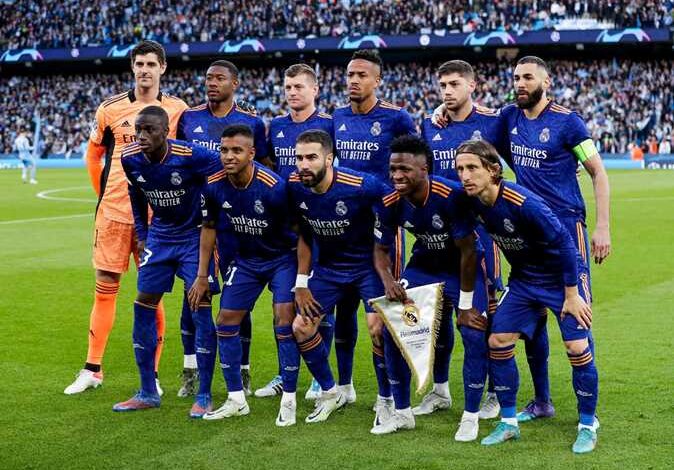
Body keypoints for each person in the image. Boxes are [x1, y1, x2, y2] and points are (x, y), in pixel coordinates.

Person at [455, 139, 599, 454]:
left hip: (562, 277)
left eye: (472, 168)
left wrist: (572, 294)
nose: (464, 175)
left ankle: (588, 425)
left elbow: (566, 244)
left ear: (493, 170)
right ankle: (508, 423)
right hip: (524, 280)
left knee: (577, 346)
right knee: (498, 341)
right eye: (460, 169)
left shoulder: (524, 203)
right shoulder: (471, 201)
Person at [64, 40, 188, 396]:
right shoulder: (110, 109)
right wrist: (103, 196)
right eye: (139, 64)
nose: (144, 70)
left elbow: (187, 154)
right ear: (132, 67)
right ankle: (92, 369)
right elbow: (93, 156)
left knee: (152, 293)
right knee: (105, 288)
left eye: (151, 64)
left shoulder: (178, 110)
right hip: (115, 214)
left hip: (157, 219)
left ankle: (153, 376)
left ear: (163, 68)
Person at [499, 56, 610, 422]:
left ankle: (588, 414)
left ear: (546, 83)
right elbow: (479, 124)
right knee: (531, 321)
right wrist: (441, 109)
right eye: (516, 77)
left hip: (566, 228)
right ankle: (542, 401)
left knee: (576, 318)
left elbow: (597, 172)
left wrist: (602, 227)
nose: (520, 83)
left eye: (528, 77)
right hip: (527, 232)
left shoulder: (568, 122)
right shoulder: (509, 118)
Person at [372, 135, 489, 440]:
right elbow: (380, 250)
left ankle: (471, 416)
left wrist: (465, 305)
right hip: (424, 265)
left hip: (462, 267)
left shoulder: (450, 196)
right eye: (393, 169)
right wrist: (388, 280)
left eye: (405, 169)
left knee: (472, 331)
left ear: (424, 170)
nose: (397, 175)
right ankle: (402, 413)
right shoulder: (390, 202)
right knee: (392, 327)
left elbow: (468, 252)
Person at [112, 106, 222, 416]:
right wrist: (142, 233)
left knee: (200, 305)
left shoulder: (191, 155)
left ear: (165, 132)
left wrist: (213, 218)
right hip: (160, 237)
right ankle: (148, 391)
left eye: (149, 130)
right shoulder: (130, 158)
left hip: (193, 237)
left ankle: (204, 394)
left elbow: (221, 171)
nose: (142, 135)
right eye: (138, 129)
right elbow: (136, 194)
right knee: (143, 303)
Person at [188, 125, 300, 425]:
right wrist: (202, 274)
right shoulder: (213, 185)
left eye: (236, 150)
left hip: (282, 259)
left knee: (283, 317)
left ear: (252, 153)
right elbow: (208, 228)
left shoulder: (274, 187)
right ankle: (236, 399)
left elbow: (301, 233)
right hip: (247, 260)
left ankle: (289, 399)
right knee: (225, 320)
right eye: (224, 150)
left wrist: (303, 278)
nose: (229, 156)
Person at [332, 49, 417, 421]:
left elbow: (418, 159)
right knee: (343, 310)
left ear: (377, 80)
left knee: (382, 318)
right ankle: (343, 386)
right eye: (350, 74)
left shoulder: (397, 118)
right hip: (344, 229)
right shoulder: (337, 117)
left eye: (362, 75)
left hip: (384, 229)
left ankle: (391, 396)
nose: (354, 80)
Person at [176, 59, 267, 397]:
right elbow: (179, 162)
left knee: (237, 299)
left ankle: (242, 370)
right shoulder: (189, 118)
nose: (212, 83)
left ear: (235, 83)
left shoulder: (251, 122)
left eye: (219, 78)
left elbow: (263, 167)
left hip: (235, 224)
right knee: (192, 294)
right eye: (208, 78)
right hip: (195, 221)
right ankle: (190, 369)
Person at [421, 59, 505, 419]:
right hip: (440, 236)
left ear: (472, 85)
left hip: (482, 233)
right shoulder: (431, 124)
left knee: (485, 317)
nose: (447, 91)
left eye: (454, 84)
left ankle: (495, 392)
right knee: (437, 316)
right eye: (442, 85)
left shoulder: (493, 122)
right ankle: (440, 390)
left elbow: (516, 156)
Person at [287, 129, 390, 425]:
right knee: (301, 326)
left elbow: (392, 212)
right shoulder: (295, 187)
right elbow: (304, 235)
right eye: (299, 158)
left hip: (367, 268)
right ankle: (331, 391)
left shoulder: (362, 186)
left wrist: (388, 272)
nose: (303, 165)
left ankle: (386, 399)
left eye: (311, 157)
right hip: (329, 270)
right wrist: (301, 283)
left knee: (378, 329)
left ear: (329, 159)